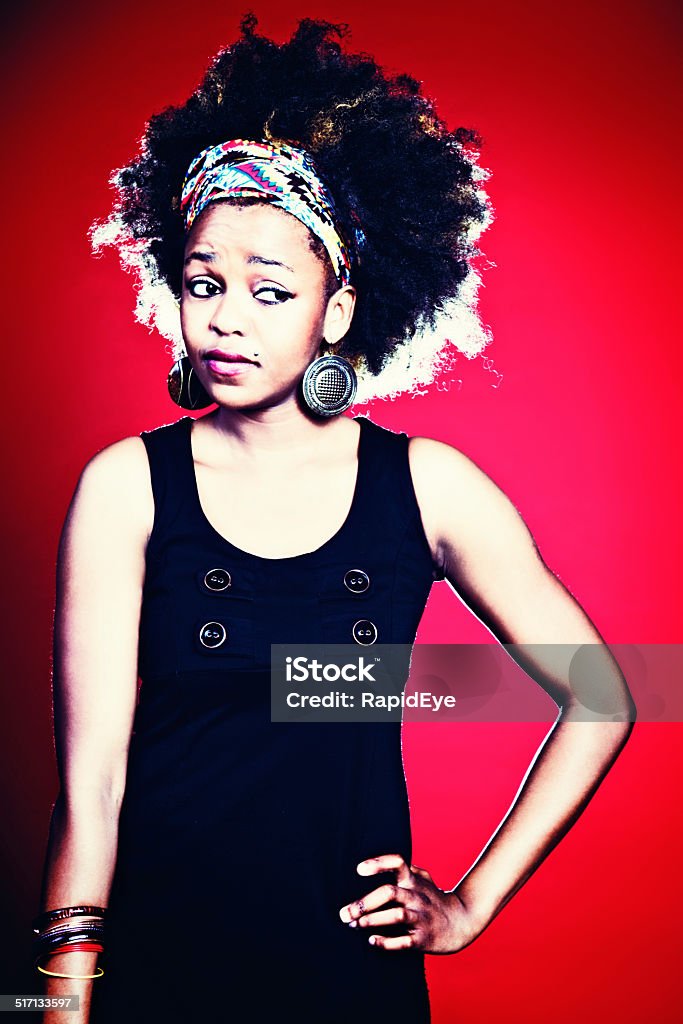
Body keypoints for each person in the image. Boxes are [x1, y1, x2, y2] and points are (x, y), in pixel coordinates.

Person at [34, 15, 635, 1024]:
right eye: (203, 283)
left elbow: (604, 695)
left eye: (271, 291)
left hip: (346, 975)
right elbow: (90, 792)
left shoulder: (427, 486)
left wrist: (468, 905)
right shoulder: (125, 486)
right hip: (159, 966)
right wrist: (58, 1004)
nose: (227, 317)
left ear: (338, 310)